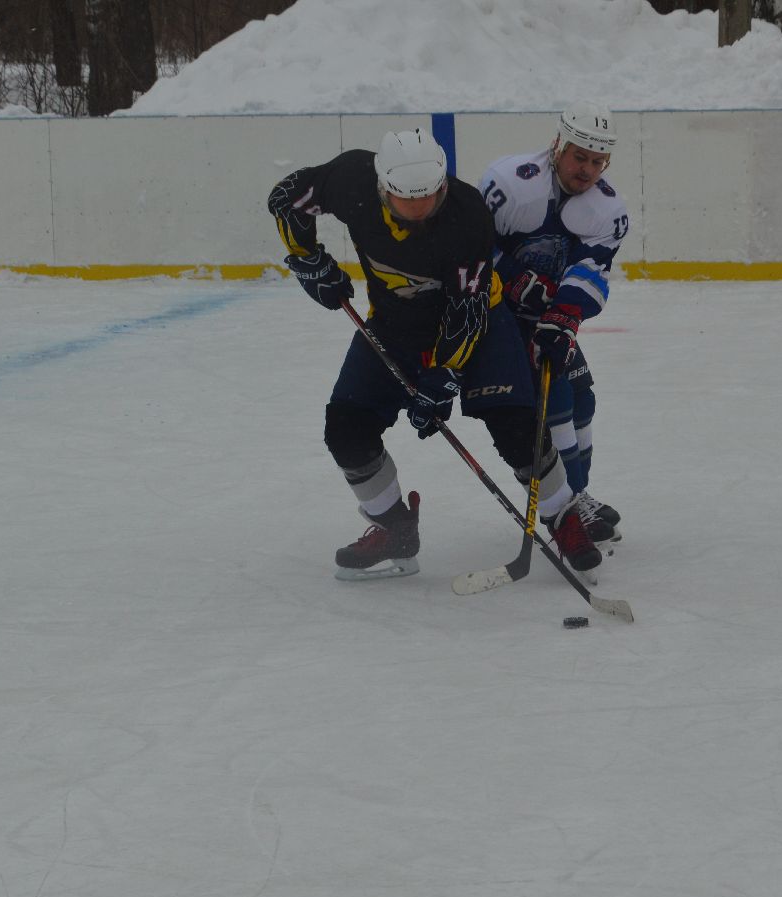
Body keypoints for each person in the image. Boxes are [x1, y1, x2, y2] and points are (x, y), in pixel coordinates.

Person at [267, 129, 602, 580]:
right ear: (383, 187)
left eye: (430, 197)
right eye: (407, 201)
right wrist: (307, 260)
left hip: (481, 323)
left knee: (516, 427)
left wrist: (444, 375)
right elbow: (286, 197)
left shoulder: (467, 217)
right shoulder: (350, 180)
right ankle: (394, 528)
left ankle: (563, 517)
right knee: (346, 429)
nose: (420, 211)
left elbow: (467, 309)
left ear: (443, 183)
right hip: (394, 324)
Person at [478, 102, 629, 547]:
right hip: (496, 319)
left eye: (597, 162)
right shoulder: (511, 182)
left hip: (548, 320)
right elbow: (468, 247)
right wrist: (506, 282)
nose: (587, 170)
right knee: (556, 402)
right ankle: (564, 508)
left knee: (582, 399)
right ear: (558, 145)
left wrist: (564, 314)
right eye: (579, 156)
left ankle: (576, 495)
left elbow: (592, 270)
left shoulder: (607, 209)